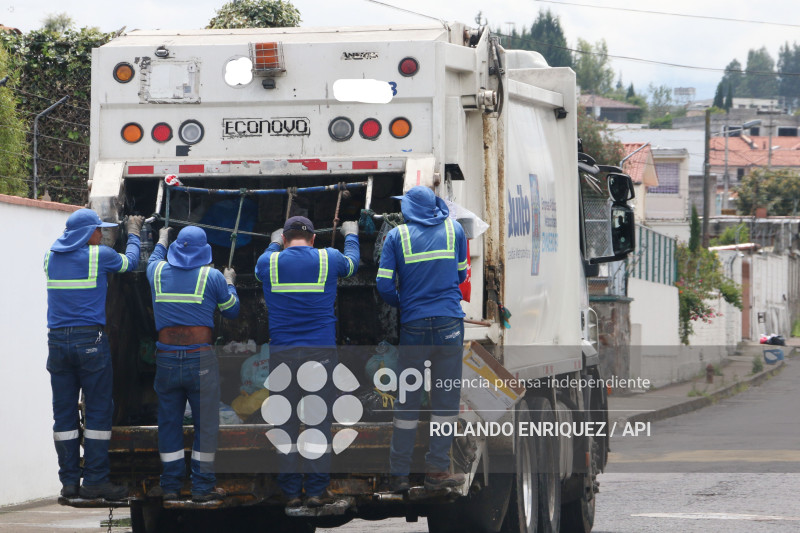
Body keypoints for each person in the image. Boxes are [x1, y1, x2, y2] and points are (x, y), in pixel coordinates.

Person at [255, 216, 359, 508]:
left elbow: (261, 266)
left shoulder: (268, 262)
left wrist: (273, 243)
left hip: (282, 357)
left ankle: (290, 493)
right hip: (320, 356)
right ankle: (316, 491)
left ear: (284, 239)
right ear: (313, 239)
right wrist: (351, 234)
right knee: (317, 422)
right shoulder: (329, 258)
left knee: (285, 424)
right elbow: (352, 264)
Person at [45, 208, 143, 500]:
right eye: (99, 229)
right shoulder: (99, 256)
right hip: (89, 341)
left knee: (64, 414)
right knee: (99, 410)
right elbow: (130, 262)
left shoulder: (50, 257)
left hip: (57, 343)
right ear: (88, 233)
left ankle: (69, 483)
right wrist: (134, 233)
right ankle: (95, 481)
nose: (102, 233)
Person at [375, 186, 468, 492]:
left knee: (407, 400)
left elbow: (383, 285)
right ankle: (437, 471)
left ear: (410, 210)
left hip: (414, 326)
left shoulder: (396, 236)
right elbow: (461, 275)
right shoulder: (455, 230)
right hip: (449, 325)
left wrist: (405, 303)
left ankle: (399, 474)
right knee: (445, 400)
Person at [146, 226, 240, 502]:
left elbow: (154, 257)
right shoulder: (212, 277)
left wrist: (162, 239)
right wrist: (230, 282)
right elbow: (232, 310)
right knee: (205, 424)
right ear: (204, 252)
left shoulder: (156, 272)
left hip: (166, 358)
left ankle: (171, 486)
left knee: (169, 423)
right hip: (200, 359)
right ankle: (202, 487)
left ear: (176, 248)